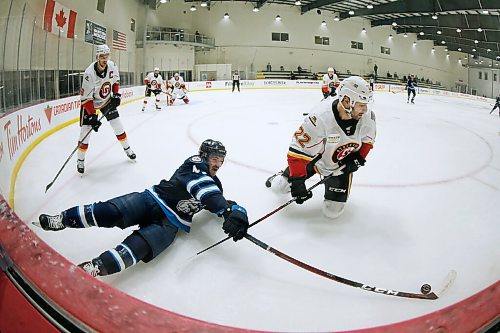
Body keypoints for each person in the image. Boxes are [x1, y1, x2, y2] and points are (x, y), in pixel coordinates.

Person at [33, 139, 249, 277]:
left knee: (138, 247)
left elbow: (220, 202)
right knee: (109, 212)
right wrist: (226, 210)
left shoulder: (214, 186)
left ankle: (95, 267)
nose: (218, 164)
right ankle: (60, 220)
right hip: (152, 200)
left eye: (221, 160)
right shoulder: (194, 164)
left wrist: (238, 214)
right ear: (203, 156)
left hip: (170, 225)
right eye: (214, 158)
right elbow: (204, 189)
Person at [265, 76, 376, 219]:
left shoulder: (367, 118)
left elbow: (368, 141)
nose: (365, 109)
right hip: (315, 160)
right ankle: (280, 176)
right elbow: (298, 151)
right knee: (279, 188)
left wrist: (359, 158)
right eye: (362, 105)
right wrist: (298, 181)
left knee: (332, 212)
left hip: (339, 168)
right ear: (347, 101)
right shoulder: (320, 117)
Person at [77, 44, 136, 174]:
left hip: (106, 101)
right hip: (90, 104)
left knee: (118, 126)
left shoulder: (112, 66)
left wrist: (115, 95)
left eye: (106, 56)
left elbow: (115, 82)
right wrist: (93, 116)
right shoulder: (89, 74)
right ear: (97, 57)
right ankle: (80, 160)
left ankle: (128, 150)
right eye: (102, 56)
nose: (104, 59)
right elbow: (86, 99)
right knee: (85, 133)